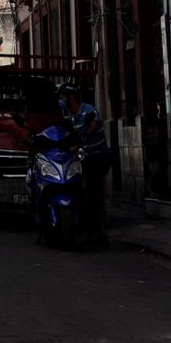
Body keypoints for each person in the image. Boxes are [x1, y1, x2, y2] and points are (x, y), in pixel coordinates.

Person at [58, 84, 112, 239]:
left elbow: (95, 123)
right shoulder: (68, 115)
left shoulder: (88, 110)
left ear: (71, 98)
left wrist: (84, 136)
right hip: (83, 159)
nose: (60, 101)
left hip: (98, 157)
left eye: (62, 98)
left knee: (94, 193)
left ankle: (99, 232)